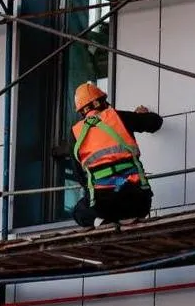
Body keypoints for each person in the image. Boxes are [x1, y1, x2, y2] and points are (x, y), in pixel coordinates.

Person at [54, 82, 163, 229]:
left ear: (81, 111)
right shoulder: (119, 117)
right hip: (139, 202)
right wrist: (140, 116)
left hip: (105, 207)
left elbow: (80, 177)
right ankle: (128, 217)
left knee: (79, 211)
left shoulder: (75, 133)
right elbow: (156, 122)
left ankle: (103, 222)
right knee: (126, 196)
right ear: (101, 102)